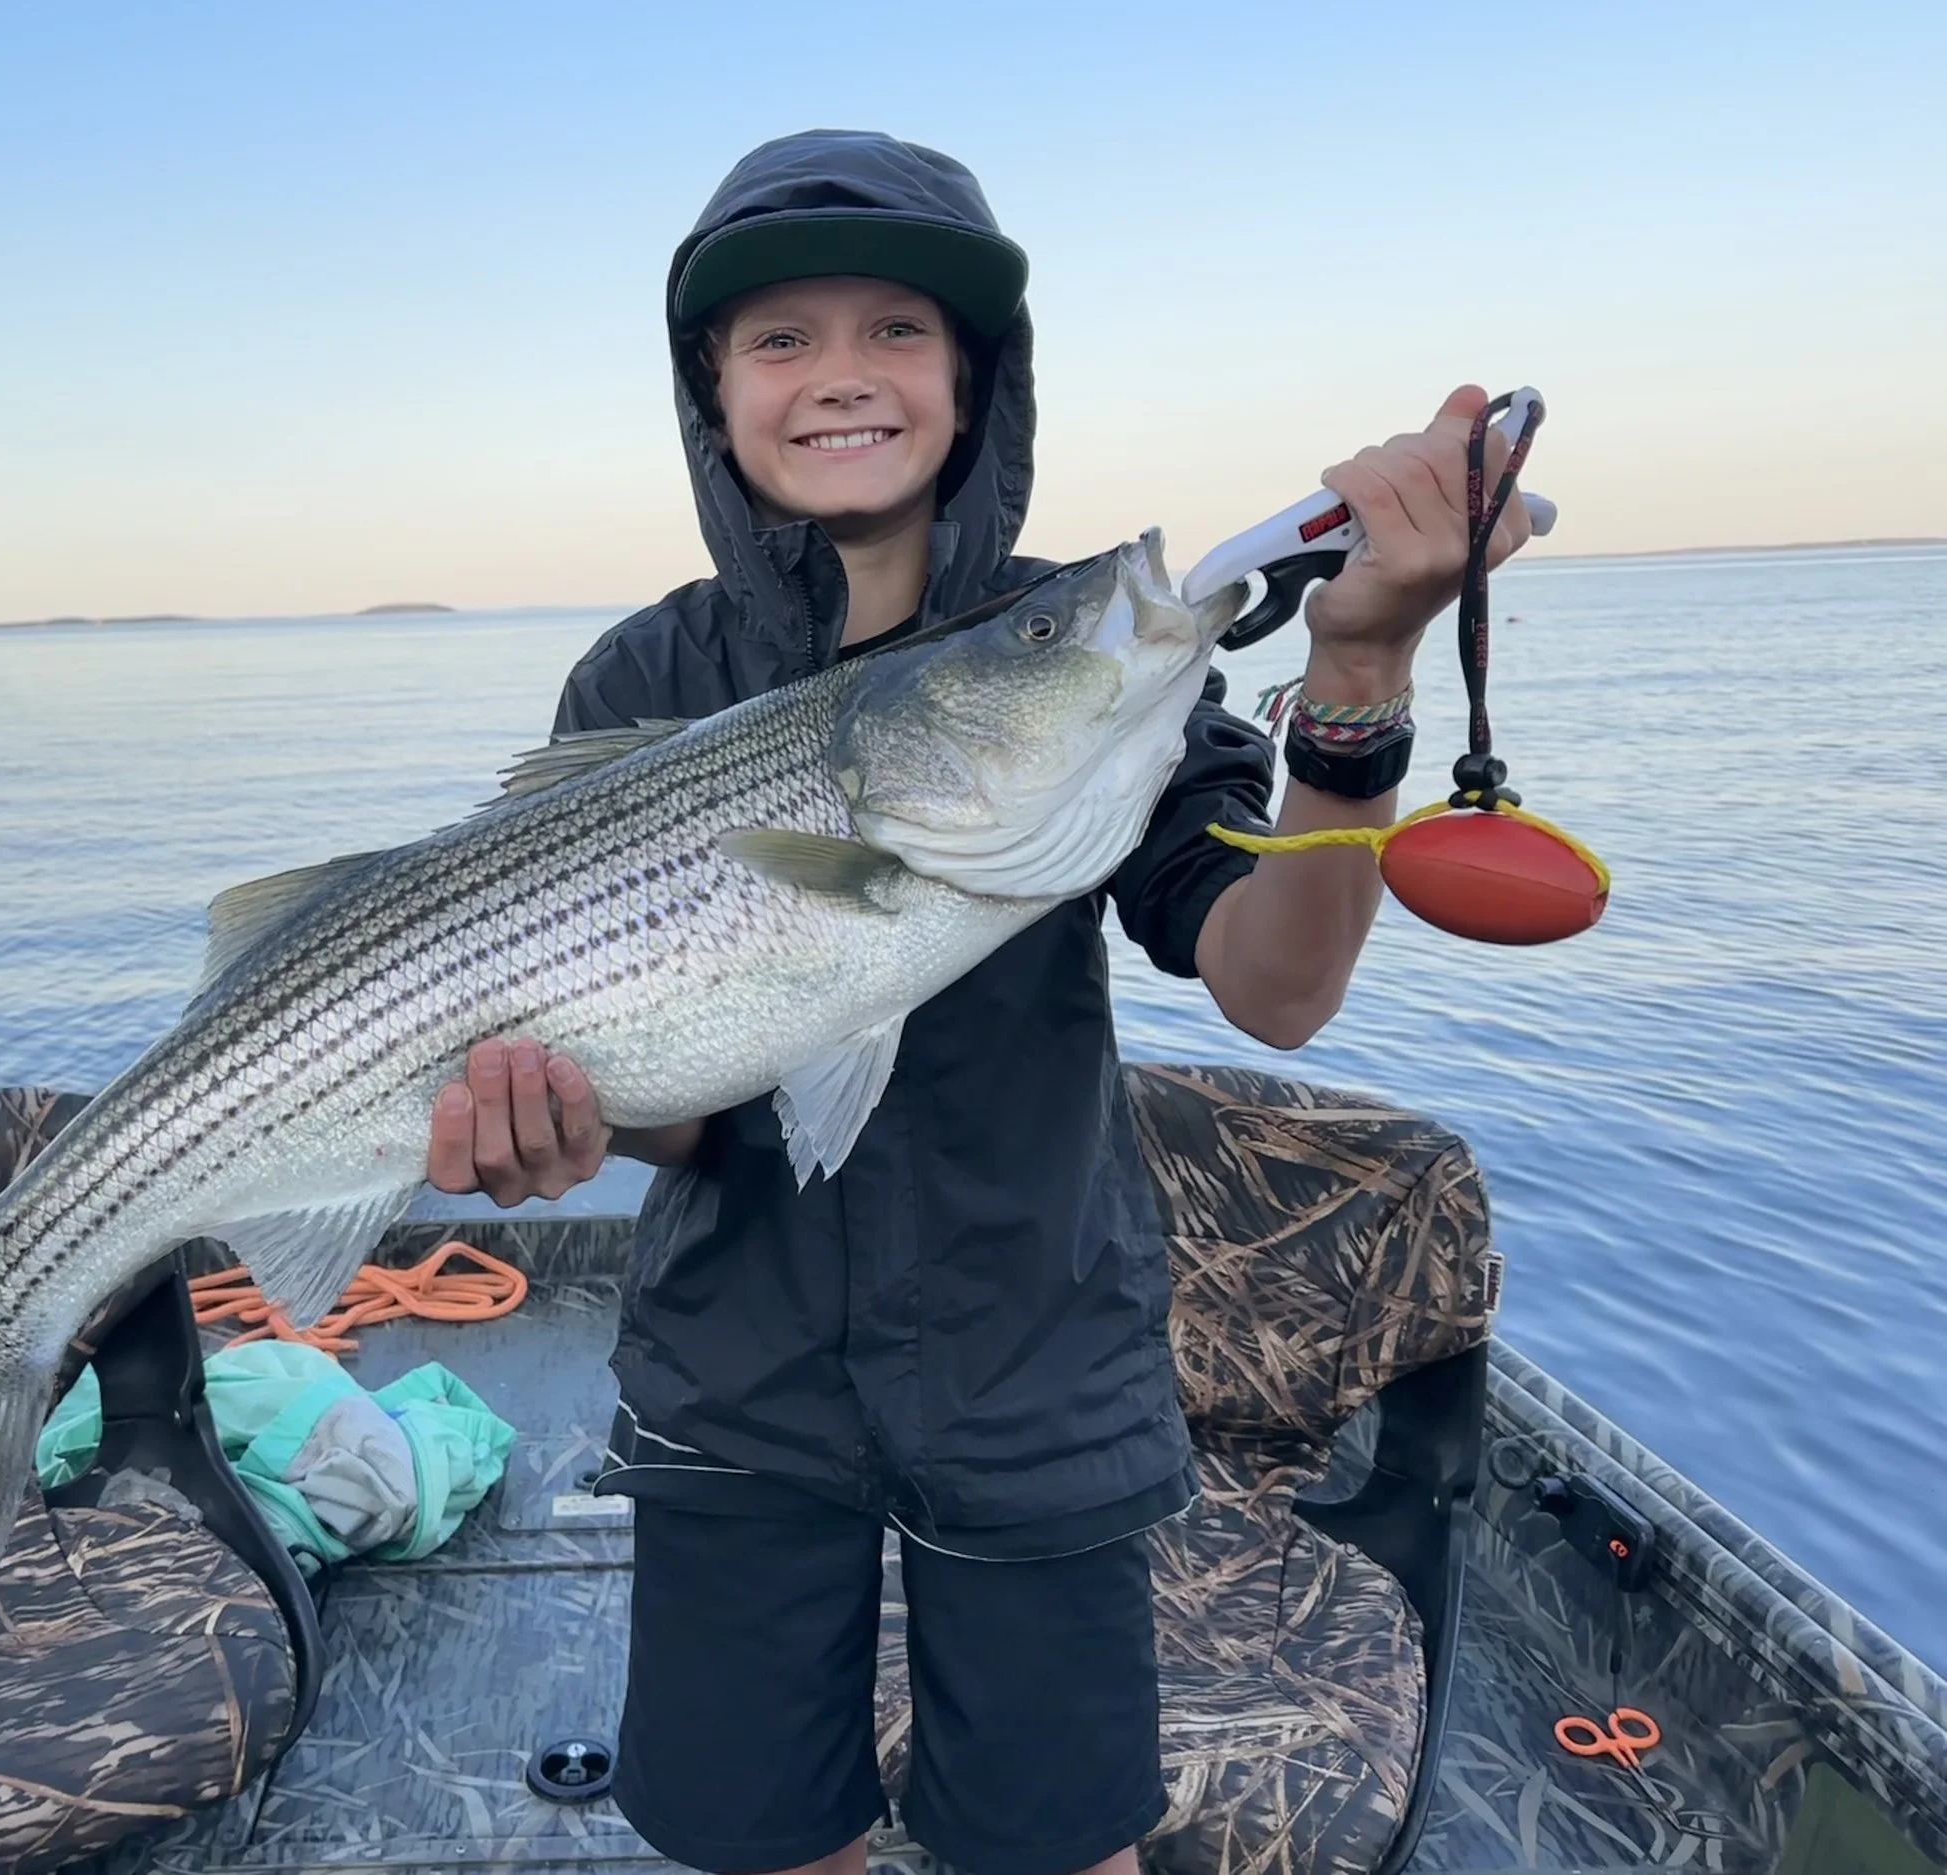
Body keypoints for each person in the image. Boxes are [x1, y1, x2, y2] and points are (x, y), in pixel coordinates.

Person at [422, 129, 1530, 1875]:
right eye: (780, 339)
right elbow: (692, 1107)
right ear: (710, 393)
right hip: (736, 1378)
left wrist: (1364, 673)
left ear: (977, 381)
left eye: (899, 331)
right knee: (758, 1836)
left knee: (1054, 1843)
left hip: (1039, 1368)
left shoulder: (1080, 655)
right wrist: (561, 1120)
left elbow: (1280, 985)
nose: (842, 375)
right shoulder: (644, 678)